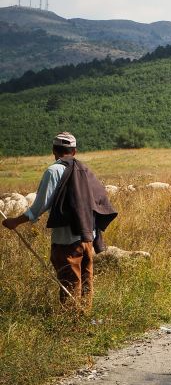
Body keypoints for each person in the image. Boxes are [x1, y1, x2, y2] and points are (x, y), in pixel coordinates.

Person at [1, 132, 116, 311]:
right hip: (88, 236)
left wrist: (15, 222)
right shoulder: (84, 170)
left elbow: (39, 206)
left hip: (66, 240)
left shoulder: (53, 171)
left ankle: (71, 320)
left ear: (54, 150)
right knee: (86, 281)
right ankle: (84, 316)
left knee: (70, 282)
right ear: (74, 151)